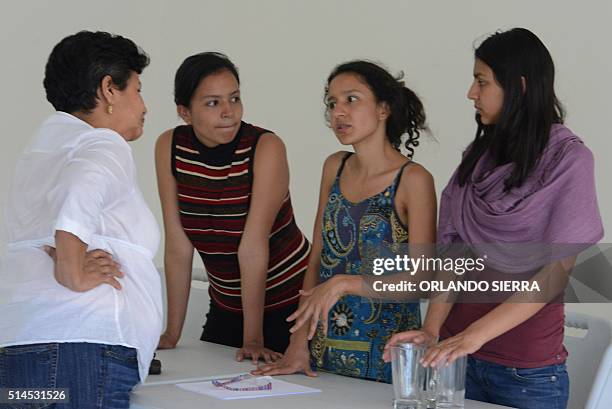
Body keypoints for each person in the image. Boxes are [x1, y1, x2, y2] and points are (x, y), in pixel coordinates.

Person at [385, 28, 603, 409]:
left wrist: (474, 335)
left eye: (481, 81)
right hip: (456, 361)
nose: (471, 92)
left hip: (526, 373)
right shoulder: (478, 157)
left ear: (518, 86)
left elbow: (553, 277)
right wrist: (432, 329)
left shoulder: (568, 161)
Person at [0, 31, 161, 408]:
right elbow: (84, 187)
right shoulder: (102, 144)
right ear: (108, 90)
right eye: (137, 90)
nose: (143, 105)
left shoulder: (40, 153)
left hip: (21, 356)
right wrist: (72, 269)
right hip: (80, 355)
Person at [254, 60, 436, 382]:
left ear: (383, 109)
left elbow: (420, 279)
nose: (338, 112)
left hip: (387, 360)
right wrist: (298, 342)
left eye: (351, 99)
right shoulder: (334, 167)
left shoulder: (414, 179)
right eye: (332, 103)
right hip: (322, 354)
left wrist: (345, 284)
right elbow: (317, 258)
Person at [155, 52, 310, 363]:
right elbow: (178, 246)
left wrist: (252, 338)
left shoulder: (266, 147)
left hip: (290, 304)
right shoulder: (170, 146)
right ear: (185, 111)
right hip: (227, 303)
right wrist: (171, 332)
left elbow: (252, 248)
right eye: (212, 103)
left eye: (234, 98)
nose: (228, 112)